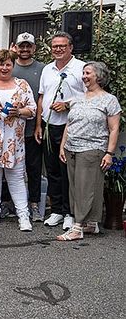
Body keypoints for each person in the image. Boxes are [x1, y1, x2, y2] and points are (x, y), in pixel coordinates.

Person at [58, 62, 121, 241]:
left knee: (86, 188)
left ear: (98, 76)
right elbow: (69, 124)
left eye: (88, 73)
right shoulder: (77, 98)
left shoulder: (109, 100)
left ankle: (77, 227)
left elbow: (114, 128)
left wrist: (109, 153)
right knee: (76, 188)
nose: (84, 76)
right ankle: (91, 224)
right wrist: (63, 145)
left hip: (93, 149)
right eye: (83, 73)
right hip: (72, 148)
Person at [0, 50, 37, 231]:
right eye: (1, 64)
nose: (4, 68)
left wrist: (18, 112)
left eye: (8, 64)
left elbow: (33, 109)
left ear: (13, 65)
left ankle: (23, 215)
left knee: (17, 177)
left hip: (14, 140)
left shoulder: (22, 84)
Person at [34, 32, 86, 230]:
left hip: (70, 127)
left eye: (62, 46)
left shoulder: (80, 68)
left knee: (67, 172)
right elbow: (41, 98)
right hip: (48, 125)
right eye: (55, 46)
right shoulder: (47, 69)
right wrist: (39, 125)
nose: (58, 49)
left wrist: (68, 104)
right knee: (52, 170)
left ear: (71, 47)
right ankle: (56, 210)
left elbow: (89, 95)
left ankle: (69, 213)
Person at [11, 32, 46, 221]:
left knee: (33, 167)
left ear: (34, 48)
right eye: (21, 46)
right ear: (15, 47)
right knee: (11, 167)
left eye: (28, 46)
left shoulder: (43, 69)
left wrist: (39, 124)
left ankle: (33, 203)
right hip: (10, 130)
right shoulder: (9, 67)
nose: (24, 49)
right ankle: (10, 203)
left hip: (32, 127)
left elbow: (42, 98)